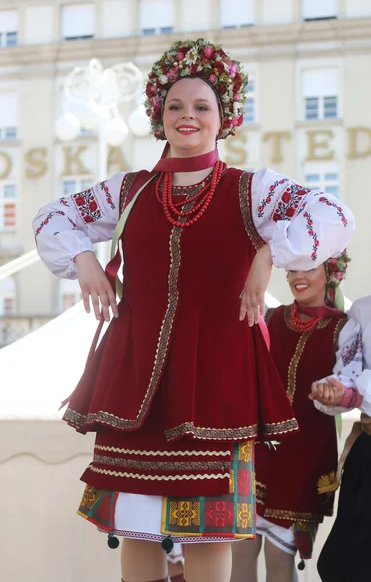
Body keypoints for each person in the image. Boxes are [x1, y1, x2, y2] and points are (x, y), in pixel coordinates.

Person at [32, 38, 354, 582]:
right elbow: (53, 217)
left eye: (201, 106)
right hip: (138, 373)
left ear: (222, 117)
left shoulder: (252, 190)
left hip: (217, 376)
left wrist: (269, 249)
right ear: (159, 117)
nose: (188, 116)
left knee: (208, 526)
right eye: (175, 106)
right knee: (137, 523)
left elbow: (334, 215)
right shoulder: (129, 191)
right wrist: (85, 258)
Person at [231, 251, 362, 582]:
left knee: (279, 559)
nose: (297, 277)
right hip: (257, 452)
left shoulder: (345, 328)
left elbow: (350, 385)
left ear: (330, 272)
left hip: (305, 457)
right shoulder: (270, 318)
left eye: (308, 269)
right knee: (239, 557)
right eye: (291, 270)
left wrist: (334, 393)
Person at [310, 296, 371, 582]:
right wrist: (334, 391)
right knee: (344, 562)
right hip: (368, 452)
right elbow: (348, 375)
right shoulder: (363, 310)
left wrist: (356, 392)